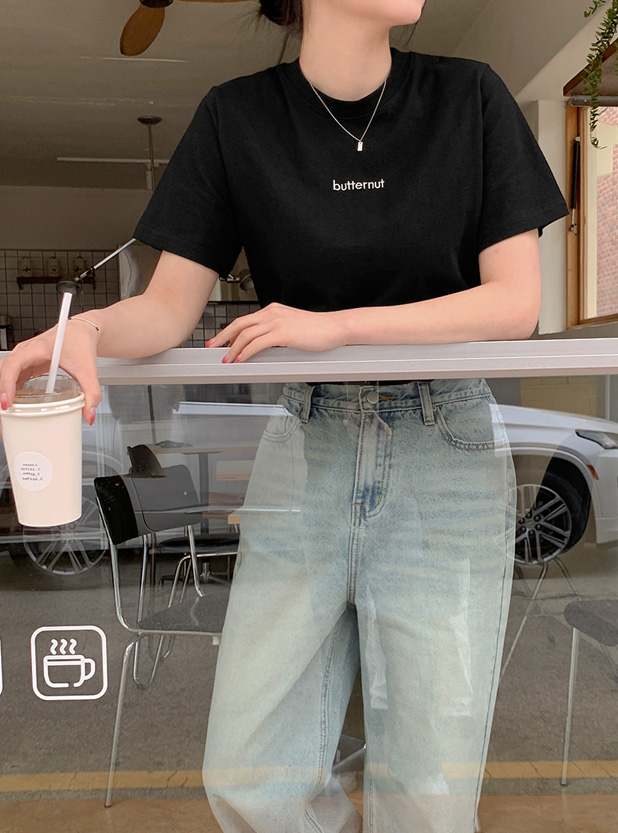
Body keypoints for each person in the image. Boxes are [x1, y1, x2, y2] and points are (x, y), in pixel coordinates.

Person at [0, 1, 569, 830]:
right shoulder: (237, 119)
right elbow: (165, 308)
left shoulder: (468, 98)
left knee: (430, 793)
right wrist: (80, 332)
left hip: (444, 442)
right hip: (308, 441)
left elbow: (514, 303)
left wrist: (335, 328)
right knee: (250, 771)